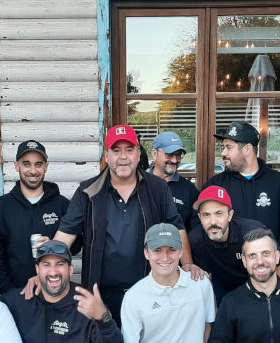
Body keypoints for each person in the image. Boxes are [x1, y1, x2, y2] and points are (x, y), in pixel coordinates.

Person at [46, 124, 201, 331]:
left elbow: (176, 227)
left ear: (138, 154)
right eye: (116, 150)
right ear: (107, 156)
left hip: (149, 290)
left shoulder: (158, 188)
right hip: (101, 293)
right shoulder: (88, 191)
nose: (123, 157)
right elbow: (66, 235)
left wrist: (188, 264)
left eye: (129, 150)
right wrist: (47, 267)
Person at [188, 185, 265, 343]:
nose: (213, 221)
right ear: (199, 217)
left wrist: (268, 303)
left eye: (219, 214)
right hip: (224, 292)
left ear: (230, 215)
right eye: (206, 215)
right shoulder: (197, 239)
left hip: (257, 289)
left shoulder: (252, 233)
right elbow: (206, 278)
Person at [206, 121, 280, 278]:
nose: (223, 153)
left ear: (247, 149)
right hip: (227, 271)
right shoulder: (216, 185)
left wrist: (279, 253)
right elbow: (201, 224)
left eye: (229, 147)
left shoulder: (277, 182)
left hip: (267, 269)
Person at [0, 140, 77, 294]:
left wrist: (56, 244)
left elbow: (77, 243)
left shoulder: (62, 205)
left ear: (46, 167)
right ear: (16, 166)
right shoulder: (0, 207)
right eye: (26, 164)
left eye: (38, 164)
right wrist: (9, 292)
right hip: (16, 294)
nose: (33, 171)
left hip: (56, 293)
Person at [150, 131, 199, 231]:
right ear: (154, 154)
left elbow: (195, 229)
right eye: (169, 154)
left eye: (178, 155)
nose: (174, 160)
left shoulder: (189, 190)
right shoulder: (140, 184)